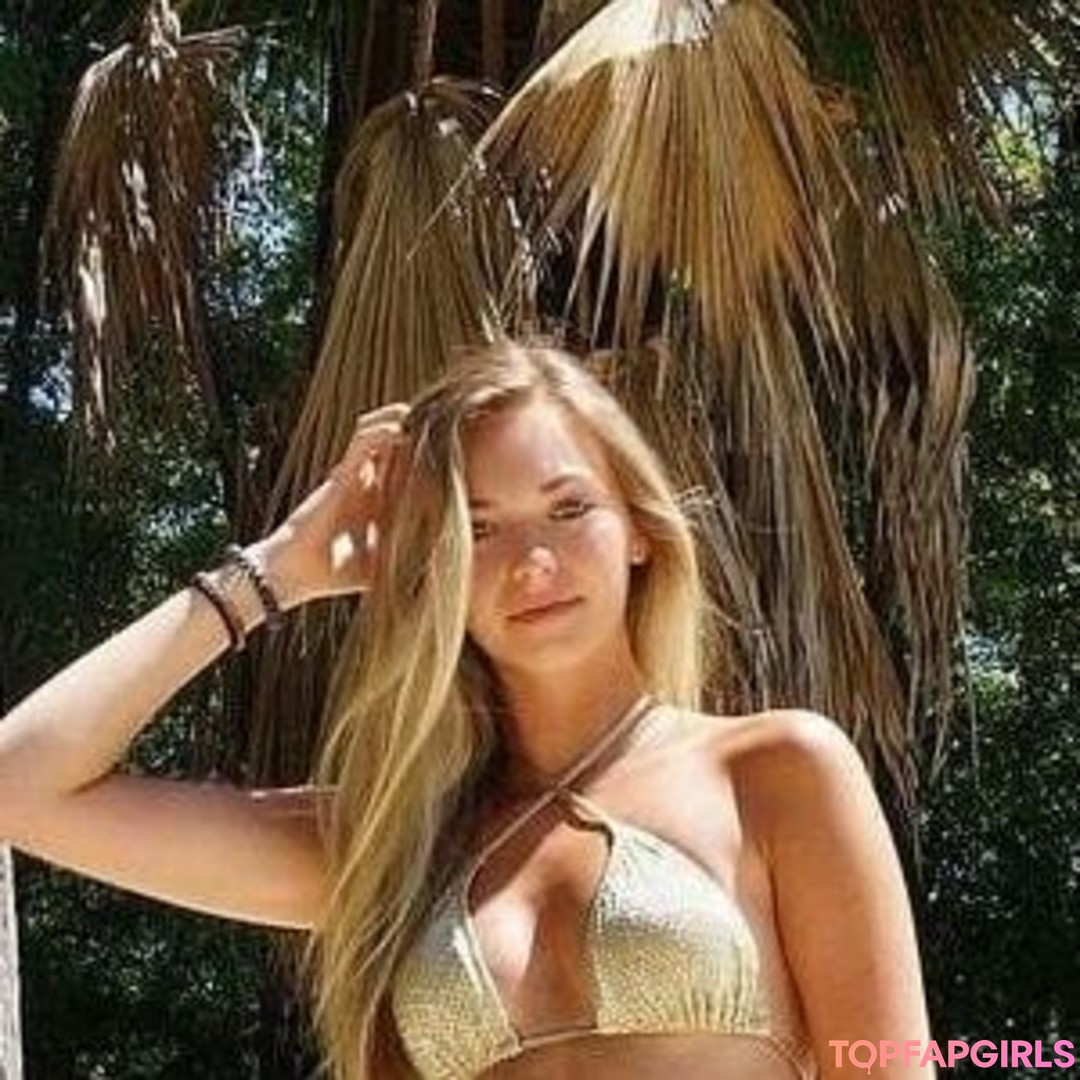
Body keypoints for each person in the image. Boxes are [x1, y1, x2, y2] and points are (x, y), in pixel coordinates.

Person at [0, 341, 934, 1079]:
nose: (532, 563)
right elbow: (21, 785)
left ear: (640, 531)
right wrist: (280, 568)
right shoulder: (388, 845)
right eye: (477, 530)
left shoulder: (775, 772)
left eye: (569, 509)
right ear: (433, 567)